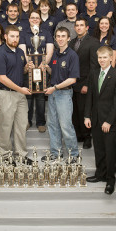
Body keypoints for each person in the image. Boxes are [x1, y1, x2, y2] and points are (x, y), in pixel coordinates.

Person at [84, 46, 116, 194]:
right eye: (99, 58)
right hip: (95, 119)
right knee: (99, 149)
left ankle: (110, 180)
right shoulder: (94, 73)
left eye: (104, 57)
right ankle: (100, 174)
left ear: (111, 58)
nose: (101, 60)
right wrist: (87, 115)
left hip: (110, 121)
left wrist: (109, 121)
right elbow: (90, 95)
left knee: (110, 151)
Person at [0, 25, 33, 164]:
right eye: (12, 36)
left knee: (21, 125)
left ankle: (21, 155)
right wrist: (21, 89)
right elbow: (3, 78)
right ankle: (6, 157)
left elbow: (18, 72)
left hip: (19, 94)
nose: (15, 39)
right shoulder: (0, 53)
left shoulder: (20, 52)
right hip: (5, 94)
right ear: (5, 36)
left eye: (17, 37)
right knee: (5, 126)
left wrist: (26, 68)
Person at [41, 27, 80, 162]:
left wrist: (55, 87)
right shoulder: (56, 54)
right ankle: (56, 153)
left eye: (63, 36)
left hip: (63, 94)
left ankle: (73, 155)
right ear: (55, 39)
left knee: (66, 126)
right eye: (58, 36)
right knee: (52, 125)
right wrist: (47, 68)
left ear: (69, 38)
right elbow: (55, 74)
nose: (60, 38)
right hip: (53, 94)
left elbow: (72, 79)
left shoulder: (72, 55)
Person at [19, 11, 54, 132]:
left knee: (40, 96)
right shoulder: (23, 33)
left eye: (37, 18)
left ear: (40, 20)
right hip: (28, 69)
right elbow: (23, 50)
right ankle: (27, 121)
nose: (34, 20)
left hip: (41, 69)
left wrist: (42, 64)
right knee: (28, 95)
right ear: (28, 19)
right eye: (32, 18)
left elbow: (50, 50)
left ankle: (40, 122)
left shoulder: (47, 33)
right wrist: (30, 64)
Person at [69, 17, 100, 149]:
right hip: (72, 83)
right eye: (77, 25)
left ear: (87, 27)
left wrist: (88, 84)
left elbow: (94, 66)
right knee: (74, 111)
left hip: (85, 83)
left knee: (84, 111)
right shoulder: (71, 42)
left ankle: (87, 137)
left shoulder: (93, 42)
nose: (79, 27)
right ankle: (78, 135)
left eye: (82, 25)